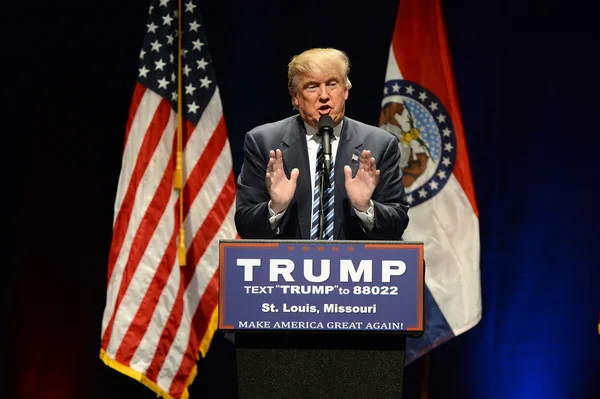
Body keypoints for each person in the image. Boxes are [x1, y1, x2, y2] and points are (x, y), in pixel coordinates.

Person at [234, 47, 409, 240]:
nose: (324, 95)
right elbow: (245, 225)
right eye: (312, 86)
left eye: (332, 84)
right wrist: (276, 207)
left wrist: (365, 208)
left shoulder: (380, 145)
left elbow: (398, 223)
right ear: (295, 97)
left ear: (345, 91)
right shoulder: (263, 142)